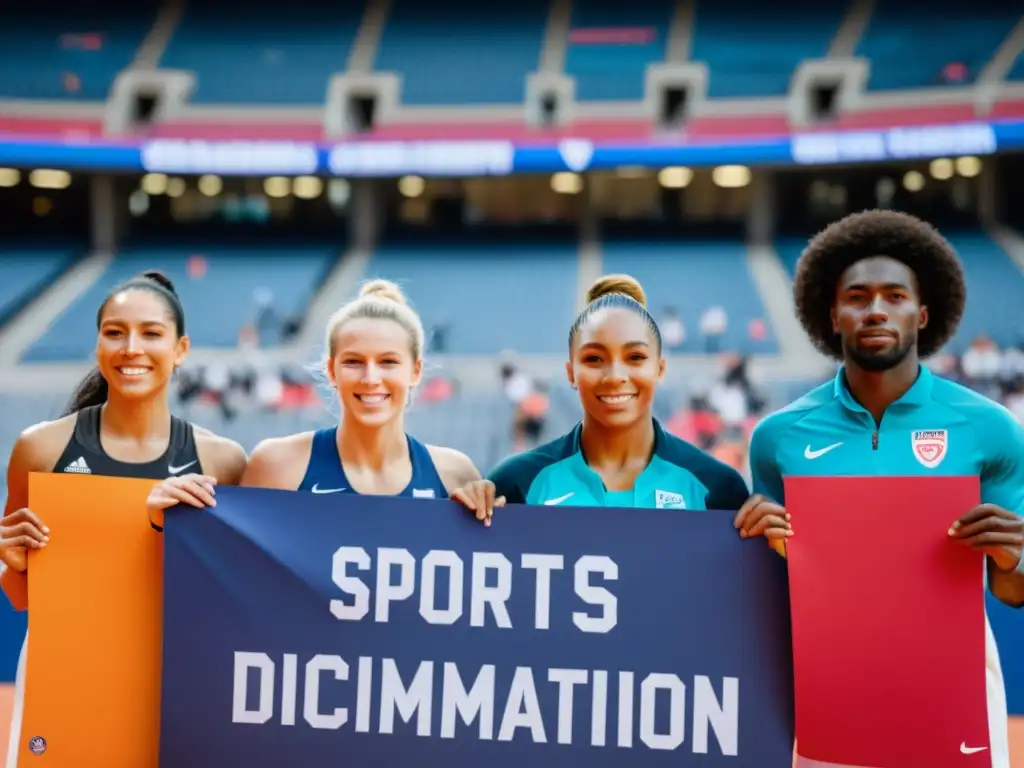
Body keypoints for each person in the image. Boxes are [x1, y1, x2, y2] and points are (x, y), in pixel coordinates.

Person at [733, 210, 1024, 768]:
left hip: (954, 692)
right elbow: (777, 584)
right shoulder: (778, 438)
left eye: (894, 296)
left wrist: (1013, 558)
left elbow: (1011, 592)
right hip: (828, 693)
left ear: (923, 312)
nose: (875, 310)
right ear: (832, 315)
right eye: (857, 297)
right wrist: (762, 543)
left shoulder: (991, 429)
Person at [0, 270, 247, 767]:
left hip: (173, 678)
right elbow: (21, 594)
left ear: (180, 349)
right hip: (65, 673)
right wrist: (11, 559)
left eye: (151, 333)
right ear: (98, 344)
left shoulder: (223, 461)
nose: (131, 347)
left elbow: (232, 601)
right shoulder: (41, 448)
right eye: (115, 332)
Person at [450, 274, 749, 521]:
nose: (615, 375)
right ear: (570, 372)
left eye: (634, 357)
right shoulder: (517, 482)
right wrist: (462, 519)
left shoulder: (719, 489)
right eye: (594, 359)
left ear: (660, 368)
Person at [240, 279, 480, 496]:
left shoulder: (455, 476)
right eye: (353, 361)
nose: (371, 378)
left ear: (415, 371)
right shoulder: (277, 466)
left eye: (388, 362)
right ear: (331, 370)